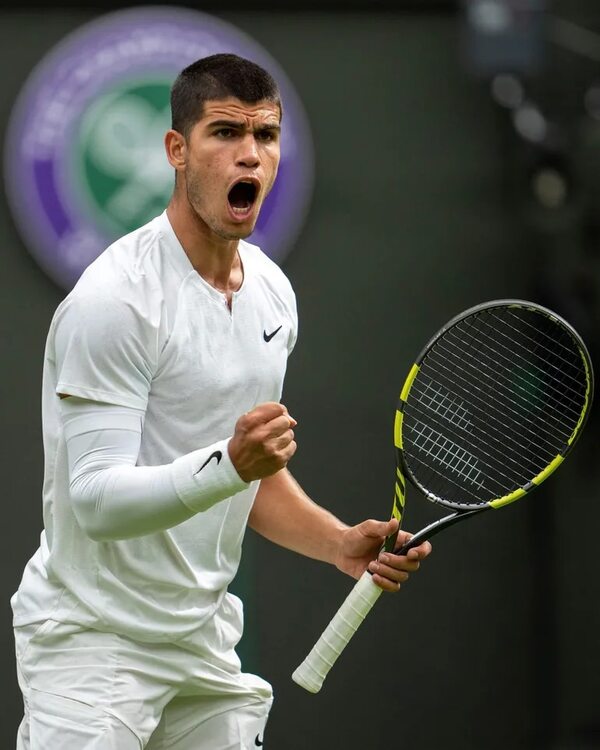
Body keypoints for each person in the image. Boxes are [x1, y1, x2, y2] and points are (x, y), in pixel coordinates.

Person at [11, 52, 432, 749]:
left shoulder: (271, 295)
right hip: (93, 644)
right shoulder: (115, 302)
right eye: (225, 132)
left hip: (202, 640)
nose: (250, 154)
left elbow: (246, 479)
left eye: (265, 136)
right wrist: (232, 466)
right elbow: (96, 500)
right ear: (177, 150)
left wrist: (335, 543)